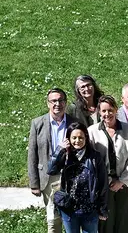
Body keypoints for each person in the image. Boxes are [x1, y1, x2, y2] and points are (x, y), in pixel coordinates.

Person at [28, 88, 80, 233]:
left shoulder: (74, 123)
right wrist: (34, 183)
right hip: (48, 178)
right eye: (54, 101)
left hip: (70, 176)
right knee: (53, 219)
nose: (57, 104)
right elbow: (32, 154)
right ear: (48, 103)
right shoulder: (37, 123)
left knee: (72, 217)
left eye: (61, 100)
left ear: (65, 102)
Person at [88, 95, 128, 233]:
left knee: (123, 221)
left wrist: (122, 181)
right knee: (105, 223)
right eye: (103, 111)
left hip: (125, 185)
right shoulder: (92, 132)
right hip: (103, 185)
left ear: (116, 110)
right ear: (99, 112)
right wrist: (109, 181)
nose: (107, 114)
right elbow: (91, 161)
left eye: (110, 110)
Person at [47, 122, 108, 233]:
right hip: (69, 209)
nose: (77, 141)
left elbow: (103, 183)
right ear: (68, 139)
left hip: (89, 209)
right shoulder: (65, 155)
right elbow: (51, 170)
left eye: (81, 137)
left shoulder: (95, 157)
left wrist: (102, 208)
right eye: (74, 138)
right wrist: (60, 150)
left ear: (86, 138)